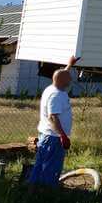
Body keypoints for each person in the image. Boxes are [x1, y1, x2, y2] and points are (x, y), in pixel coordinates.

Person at [27, 56, 77, 190]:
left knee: (40, 166)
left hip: (48, 136)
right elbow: (53, 117)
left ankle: (32, 192)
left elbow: (60, 75)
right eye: (69, 77)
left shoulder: (52, 88)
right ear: (62, 80)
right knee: (51, 168)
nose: (71, 79)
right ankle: (46, 195)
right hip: (53, 138)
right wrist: (63, 135)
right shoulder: (57, 95)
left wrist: (69, 65)